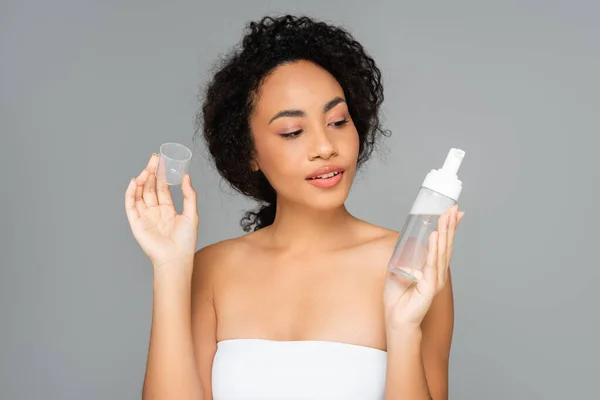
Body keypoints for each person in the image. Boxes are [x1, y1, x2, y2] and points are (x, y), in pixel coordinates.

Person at [125, 14, 464, 400]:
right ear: (249, 152)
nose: (325, 147)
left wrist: (402, 328)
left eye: (338, 121)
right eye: (292, 132)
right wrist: (169, 267)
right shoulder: (212, 271)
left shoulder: (410, 264)